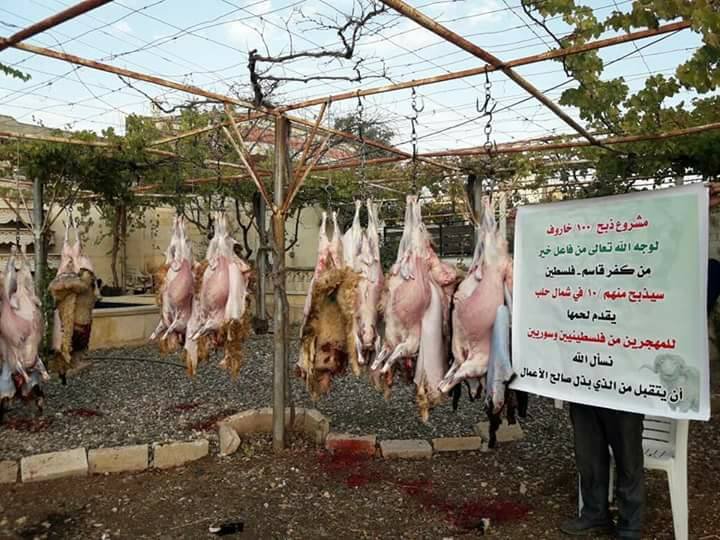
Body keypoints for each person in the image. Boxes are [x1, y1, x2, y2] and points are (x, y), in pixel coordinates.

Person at [561, 183, 719, 538]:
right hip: (582, 374)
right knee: (588, 451)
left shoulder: (643, 276)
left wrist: (696, 210)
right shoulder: (581, 273)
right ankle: (595, 513)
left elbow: (686, 260)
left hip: (625, 378)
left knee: (628, 453)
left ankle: (630, 523)